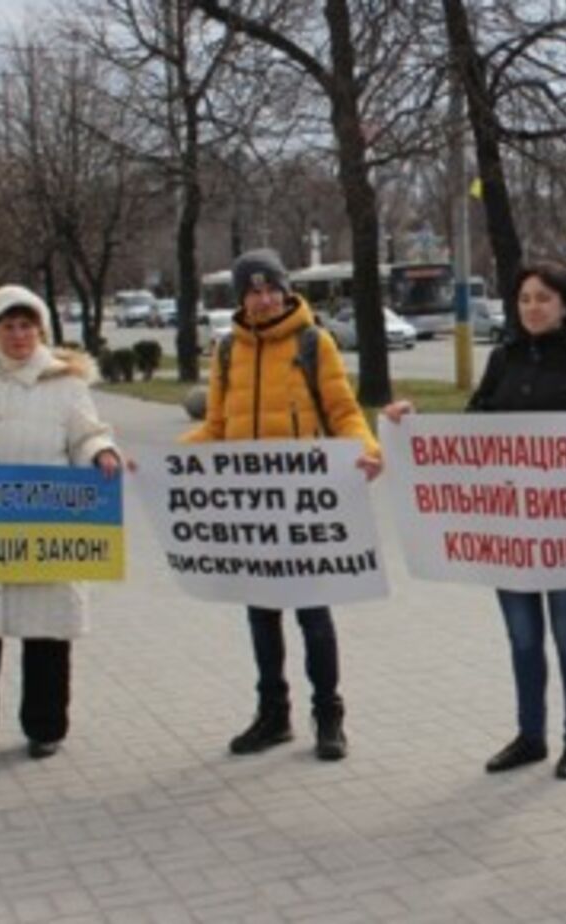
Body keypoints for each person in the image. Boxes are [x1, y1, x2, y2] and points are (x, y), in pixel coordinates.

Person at [382, 262, 566, 780]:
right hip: (510, 530)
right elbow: (473, 431)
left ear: (565, 305)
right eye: (524, 299)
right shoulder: (504, 358)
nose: (533, 308)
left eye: (543, 298)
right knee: (522, 638)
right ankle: (530, 735)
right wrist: (411, 424)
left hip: (565, 530)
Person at [183, 248, 383, 763]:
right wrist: (162, 464)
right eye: (253, 290)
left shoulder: (314, 343)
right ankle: (273, 715)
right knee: (261, 615)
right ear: (241, 298)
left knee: (314, 616)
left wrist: (366, 450)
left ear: (286, 289)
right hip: (251, 511)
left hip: (305, 509)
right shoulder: (228, 351)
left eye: (271, 287)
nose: (264, 298)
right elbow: (217, 428)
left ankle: (329, 715)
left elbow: (343, 412)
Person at [0, 285, 124, 765]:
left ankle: (45, 727)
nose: (19, 336)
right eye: (9, 326)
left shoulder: (65, 383)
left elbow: (88, 434)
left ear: (41, 329)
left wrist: (102, 453)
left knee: (46, 636)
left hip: (45, 527)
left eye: (27, 325)